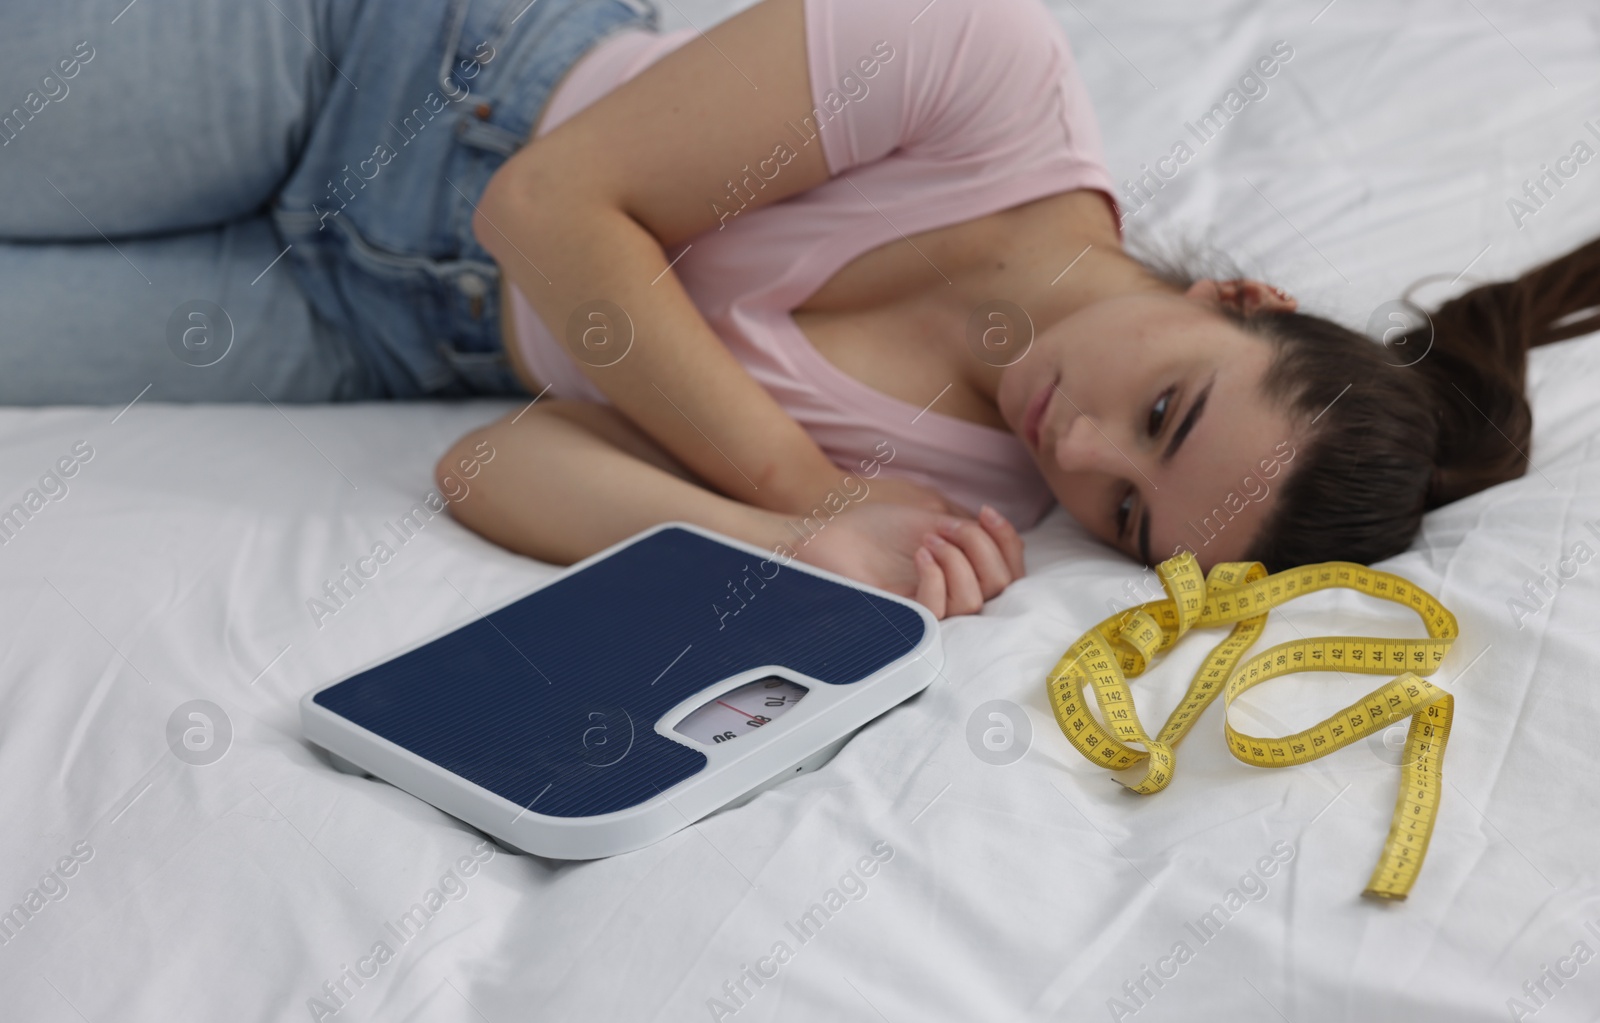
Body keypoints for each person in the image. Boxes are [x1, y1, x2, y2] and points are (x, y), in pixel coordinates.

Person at [4, 1, 1595, 620]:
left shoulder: (966, 498)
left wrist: (799, 550)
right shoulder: (985, 72)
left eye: (1121, 509)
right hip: (386, 76)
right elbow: (545, 210)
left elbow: (492, 469)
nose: (1080, 444)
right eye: (1167, 405)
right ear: (1241, 299)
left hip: (375, 339)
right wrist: (805, 483)